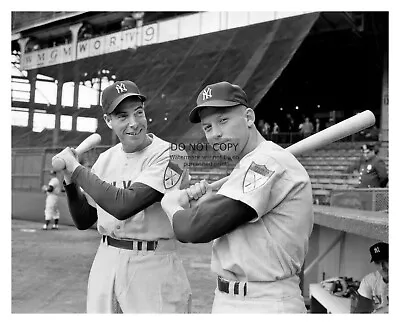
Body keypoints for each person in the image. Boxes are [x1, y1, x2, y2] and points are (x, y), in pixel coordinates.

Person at [161, 81, 314, 313]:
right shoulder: (250, 165)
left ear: (249, 118)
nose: (216, 134)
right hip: (231, 298)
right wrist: (209, 201)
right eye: (208, 127)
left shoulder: (266, 162)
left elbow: (192, 229)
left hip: (265, 302)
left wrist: (171, 204)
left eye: (223, 120)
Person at [54, 80, 192, 313]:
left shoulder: (174, 156)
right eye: (122, 116)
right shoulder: (106, 159)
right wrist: (69, 179)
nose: (134, 123)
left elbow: (125, 205)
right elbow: (84, 219)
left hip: (152, 263)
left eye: (138, 113)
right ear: (108, 121)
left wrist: (78, 170)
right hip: (106, 261)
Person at [352, 242, 388, 313]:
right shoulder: (369, 281)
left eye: (386, 261)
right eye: (377, 262)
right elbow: (361, 312)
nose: (382, 267)